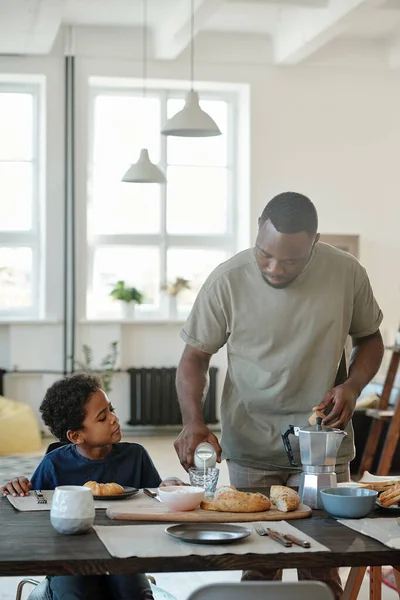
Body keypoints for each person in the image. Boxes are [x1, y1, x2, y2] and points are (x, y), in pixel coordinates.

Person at [173, 191, 384, 598]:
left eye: (290, 260)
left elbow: (370, 339)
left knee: (320, 565)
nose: (274, 267)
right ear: (257, 231)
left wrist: (352, 386)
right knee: (258, 565)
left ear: (315, 241)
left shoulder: (347, 272)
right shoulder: (227, 279)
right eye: (264, 253)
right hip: (250, 441)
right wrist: (193, 422)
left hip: (323, 443)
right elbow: (193, 359)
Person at [2, 372, 182, 600]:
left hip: (123, 553)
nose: (114, 419)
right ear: (76, 435)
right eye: (101, 418)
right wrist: (19, 488)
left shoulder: (136, 456)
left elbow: (156, 501)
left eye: (111, 409)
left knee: (134, 593)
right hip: (68, 558)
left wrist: (167, 489)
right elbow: (33, 510)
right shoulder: (55, 464)